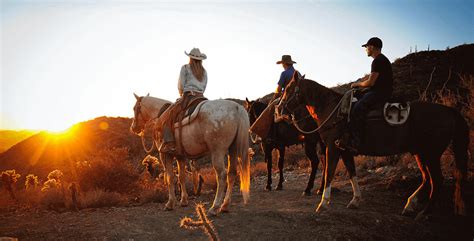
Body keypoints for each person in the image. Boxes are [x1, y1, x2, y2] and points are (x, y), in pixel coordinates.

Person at [336, 37, 393, 152]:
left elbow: (371, 82)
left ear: (371, 47)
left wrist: (358, 84)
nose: (366, 49)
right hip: (380, 91)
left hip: (379, 93)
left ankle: (356, 143)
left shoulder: (377, 61)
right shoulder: (381, 60)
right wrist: (361, 80)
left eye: (366, 47)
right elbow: (371, 77)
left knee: (357, 108)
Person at [158, 48, 208, 154]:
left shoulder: (185, 68)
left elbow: (180, 85)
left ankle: (170, 143)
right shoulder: (204, 72)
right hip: (201, 97)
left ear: (190, 58)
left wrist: (181, 94)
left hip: (188, 97)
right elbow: (204, 86)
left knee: (168, 117)